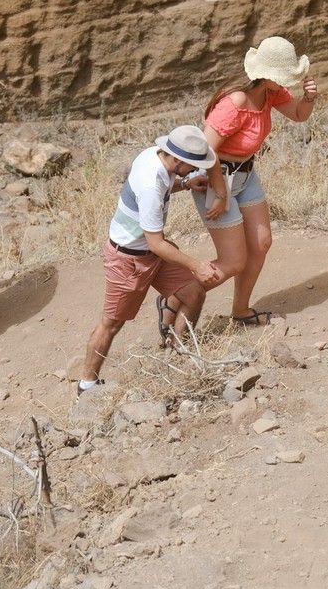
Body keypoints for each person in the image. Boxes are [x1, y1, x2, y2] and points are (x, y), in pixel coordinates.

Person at [79, 125, 224, 394]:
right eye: (191, 166)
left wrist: (184, 183)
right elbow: (157, 243)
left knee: (194, 293)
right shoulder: (151, 183)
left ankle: (178, 351)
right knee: (111, 325)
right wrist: (197, 265)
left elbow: (156, 239)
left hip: (150, 251)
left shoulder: (155, 156)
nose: (194, 169)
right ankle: (87, 385)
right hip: (129, 260)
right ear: (177, 159)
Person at [193, 36, 318, 326]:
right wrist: (221, 192)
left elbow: (299, 114)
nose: (289, 82)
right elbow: (204, 150)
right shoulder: (234, 102)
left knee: (261, 243)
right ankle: (179, 295)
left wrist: (309, 98)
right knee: (232, 259)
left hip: (245, 175)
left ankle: (240, 309)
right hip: (215, 178)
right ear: (268, 76)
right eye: (286, 76)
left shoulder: (271, 93)